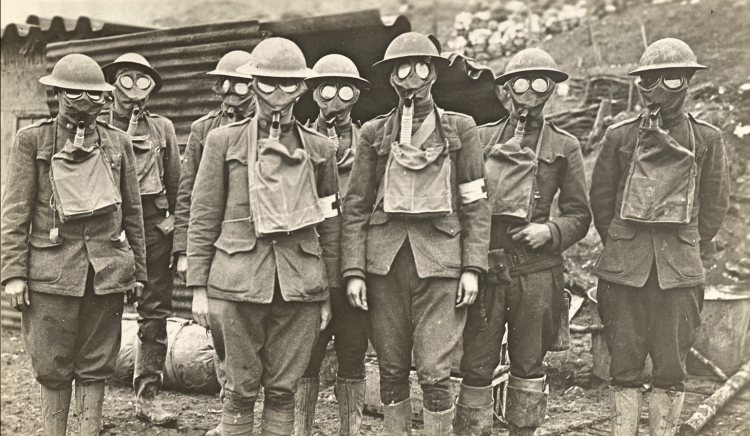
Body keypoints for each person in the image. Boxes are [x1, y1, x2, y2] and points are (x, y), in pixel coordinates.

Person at [187, 37, 339, 436]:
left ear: (303, 88)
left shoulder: (321, 148)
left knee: (284, 390)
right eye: (269, 83)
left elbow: (329, 225)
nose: (278, 94)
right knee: (239, 389)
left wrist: (326, 292)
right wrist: (199, 287)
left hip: (299, 286)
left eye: (289, 85)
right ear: (253, 84)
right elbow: (203, 216)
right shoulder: (223, 141)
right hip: (236, 282)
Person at [341, 32, 491, 435]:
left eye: (421, 66)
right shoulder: (375, 133)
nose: (411, 76)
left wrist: (473, 266)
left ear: (434, 72)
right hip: (384, 265)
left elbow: (475, 202)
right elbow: (355, 205)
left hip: (441, 263)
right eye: (402, 68)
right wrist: (354, 270)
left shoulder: (461, 128)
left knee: (434, 369)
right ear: (391, 76)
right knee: (390, 367)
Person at [1, 53, 147, 436]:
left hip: (106, 272)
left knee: (97, 363)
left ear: (105, 97)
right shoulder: (32, 140)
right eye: (74, 93)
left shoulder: (118, 143)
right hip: (51, 273)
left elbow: (133, 213)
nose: (85, 102)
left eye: (94, 95)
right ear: (58, 94)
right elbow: (14, 212)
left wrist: (139, 274)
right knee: (51, 366)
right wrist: (14, 274)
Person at [590, 38, 729, 436]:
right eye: (651, 80)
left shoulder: (707, 138)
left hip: (679, 273)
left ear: (687, 81)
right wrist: (621, 243)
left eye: (672, 78)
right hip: (623, 272)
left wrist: (686, 245)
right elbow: (602, 198)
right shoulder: (620, 136)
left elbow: (715, 205)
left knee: (672, 367)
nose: (661, 89)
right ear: (640, 84)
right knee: (624, 366)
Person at [456, 48, 592, 436]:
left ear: (550, 90)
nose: (528, 93)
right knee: (475, 364)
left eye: (539, 83)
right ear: (505, 89)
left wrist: (550, 232)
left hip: (536, 271)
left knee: (529, 365)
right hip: (487, 266)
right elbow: (461, 202)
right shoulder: (479, 139)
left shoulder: (564, 146)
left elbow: (580, 215)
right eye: (520, 82)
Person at [172, 49, 255, 436]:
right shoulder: (203, 131)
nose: (229, 93)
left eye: (238, 85)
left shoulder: (276, 126)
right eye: (222, 84)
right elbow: (187, 195)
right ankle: (232, 417)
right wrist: (186, 251)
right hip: (218, 244)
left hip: (260, 243)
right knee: (223, 331)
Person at [100, 52, 181, 426]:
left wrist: (177, 237)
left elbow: (178, 188)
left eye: (143, 80)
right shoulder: (97, 126)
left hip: (152, 228)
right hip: (108, 227)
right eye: (127, 79)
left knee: (154, 315)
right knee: (101, 313)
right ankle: (92, 399)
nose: (134, 89)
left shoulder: (162, 128)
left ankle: (147, 397)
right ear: (113, 83)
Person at [293, 54, 371, 436]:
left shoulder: (368, 144)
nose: (334, 101)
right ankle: (298, 429)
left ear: (356, 94)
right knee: (304, 357)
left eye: (344, 90)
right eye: (326, 90)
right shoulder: (297, 141)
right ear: (313, 93)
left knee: (353, 353)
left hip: (354, 268)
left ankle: (350, 431)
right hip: (308, 266)